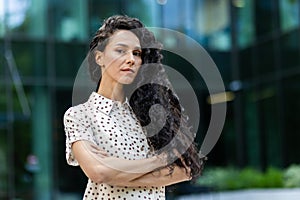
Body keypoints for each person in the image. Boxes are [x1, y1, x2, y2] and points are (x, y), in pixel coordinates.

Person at [64, 15, 205, 200]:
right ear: (99, 57)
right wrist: (161, 160)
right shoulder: (79, 115)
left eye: (136, 53)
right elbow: (98, 172)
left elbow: (184, 169)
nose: (130, 59)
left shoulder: (151, 113)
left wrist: (116, 172)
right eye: (121, 50)